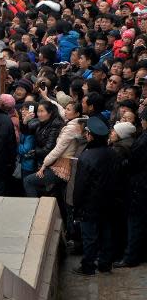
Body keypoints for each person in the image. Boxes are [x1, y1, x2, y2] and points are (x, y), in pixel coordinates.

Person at [72, 117, 119, 276]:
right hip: (110, 203)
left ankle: (88, 266)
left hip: (90, 204)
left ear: (90, 136)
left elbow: (80, 186)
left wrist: (76, 206)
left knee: (90, 237)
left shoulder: (86, 157)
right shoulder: (113, 154)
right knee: (107, 234)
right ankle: (105, 264)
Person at [115, 111, 147, 268]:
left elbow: (134, 162)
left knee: (135, 221)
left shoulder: (143, 140)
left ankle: (131, 257)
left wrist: (123, 164)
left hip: (139, 186)